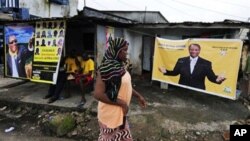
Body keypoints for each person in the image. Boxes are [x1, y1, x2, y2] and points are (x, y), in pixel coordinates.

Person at [94, 37, 146, 140]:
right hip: (110, 115)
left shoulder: (120, 67)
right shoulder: (105, 68)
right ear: (117, 51)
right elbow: (98, 95)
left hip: (120, 113)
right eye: (125, 50)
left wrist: (138, 96)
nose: (127, 53)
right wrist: (122, 103)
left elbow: (126, 86)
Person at [159, 43, 226, 90]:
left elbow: (211, 77)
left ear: (199, 51)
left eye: (196, 50)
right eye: (192, 49)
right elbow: (175, 72)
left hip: (198, 91)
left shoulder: (206, 63)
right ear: (189, 50)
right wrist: (165, 71)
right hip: (182, 89)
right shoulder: (181, 60)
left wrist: (217, 80)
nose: (193, 51)